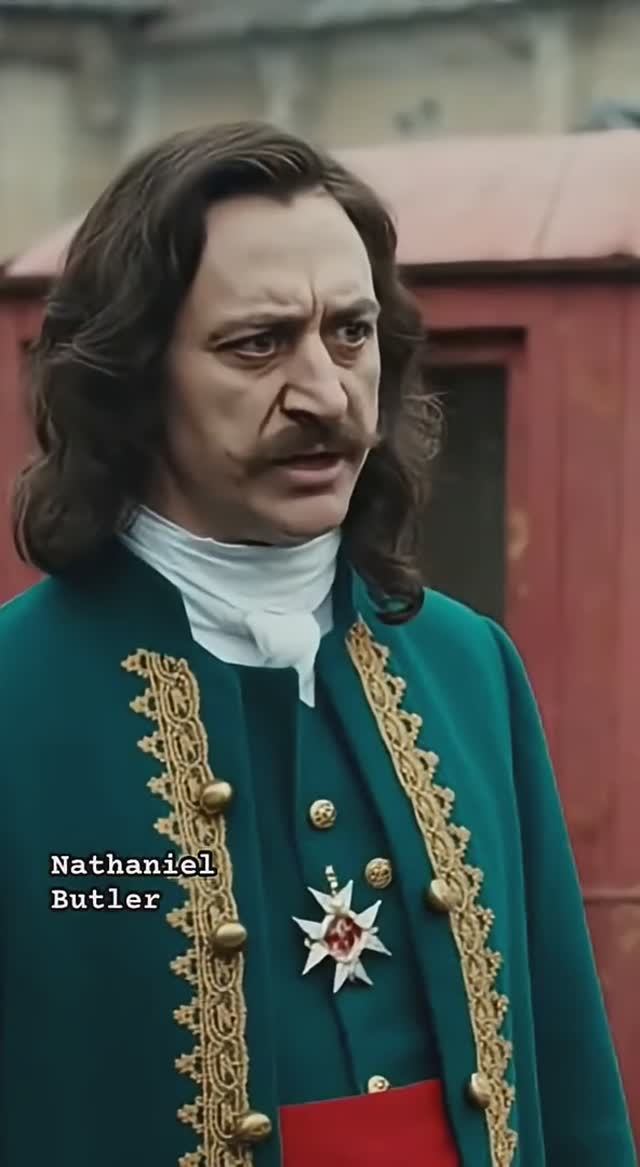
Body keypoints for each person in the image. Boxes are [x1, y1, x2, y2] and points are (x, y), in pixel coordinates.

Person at [0, 122, 635, 1167]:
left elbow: (571, 1092)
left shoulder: (469, 667)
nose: (326, 393)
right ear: (135, 376)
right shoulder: (16, 703)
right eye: (257, 345)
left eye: (350, 334)